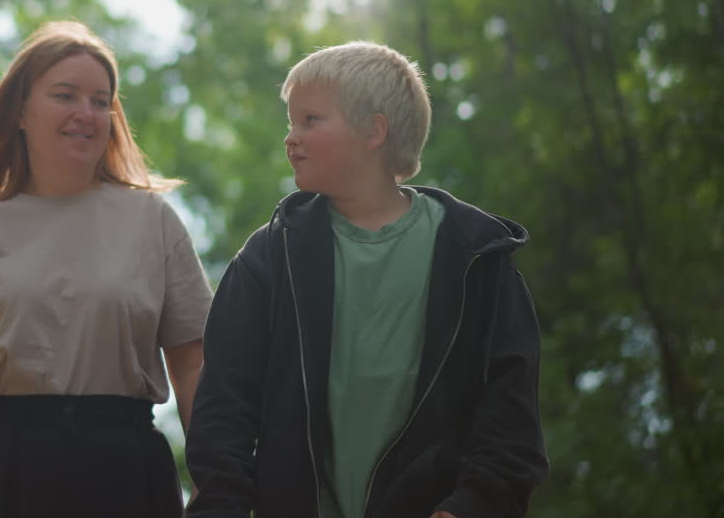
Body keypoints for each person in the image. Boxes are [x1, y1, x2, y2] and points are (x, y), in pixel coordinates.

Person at [185, 41, 549, 518]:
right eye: (290, 122)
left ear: (374, 131)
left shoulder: (477, 258)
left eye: (310, 120)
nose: (291, 138)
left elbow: (509, 412)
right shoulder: (271, 255)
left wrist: (473, 505)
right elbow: (224, 410)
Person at [0, 20, 213, 518]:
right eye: (65, 95)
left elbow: (193, 364)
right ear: (20, 110)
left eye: (99, 100)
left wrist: (216, 480)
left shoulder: (155, 221)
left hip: (126, 479)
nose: (85, 113)